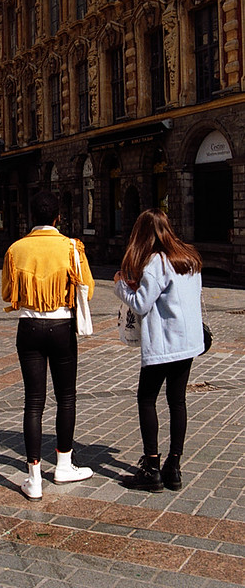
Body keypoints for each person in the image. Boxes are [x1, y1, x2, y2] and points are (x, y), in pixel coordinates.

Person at [2, 190, 95, 501]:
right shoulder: (71, 247)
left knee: (33, 401)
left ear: (32, 216)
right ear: (58, 217)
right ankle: (64, 465)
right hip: (62, 327)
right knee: (66, 397)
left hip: (29, 327)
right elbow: (88, 290)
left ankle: (34, 479)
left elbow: (7, 293)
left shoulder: (16, 249)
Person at [114, 208, 204, 492]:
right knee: (177, 401)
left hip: (164, 344)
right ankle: (173, 467)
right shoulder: (188, 258)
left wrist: (120, 286)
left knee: (147, 398)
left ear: (143, 235)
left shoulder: (156, 262)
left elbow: (141, 304)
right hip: (187, 342)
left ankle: (151, 467)